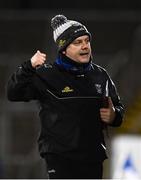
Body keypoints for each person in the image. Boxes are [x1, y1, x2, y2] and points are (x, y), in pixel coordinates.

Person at [6, 14, 124, 179]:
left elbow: (118, 110)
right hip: (60, 158)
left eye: (86, 41)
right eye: (77, 42)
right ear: (63, 48)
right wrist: (28, 67)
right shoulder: (46, 75)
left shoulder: (100, 75)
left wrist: (114, 115)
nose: (85, 46)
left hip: (93, 158)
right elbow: (13, 93)